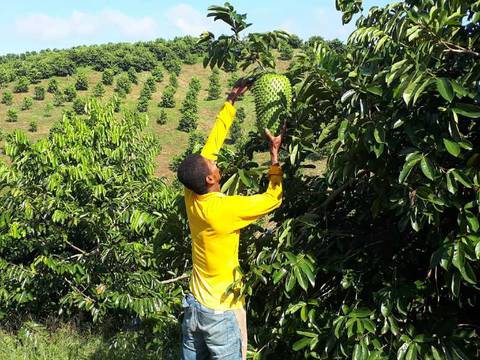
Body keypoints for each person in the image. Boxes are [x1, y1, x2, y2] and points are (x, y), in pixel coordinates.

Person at [176, 78, 284, 360]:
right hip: (221, 314)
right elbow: (273, 199)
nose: (215, 161)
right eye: (213, 165)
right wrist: (274, 155)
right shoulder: (225, 210)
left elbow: (211, 147)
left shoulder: (192, 195)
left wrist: (230, 102)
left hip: (194, 307)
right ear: (211, 178)